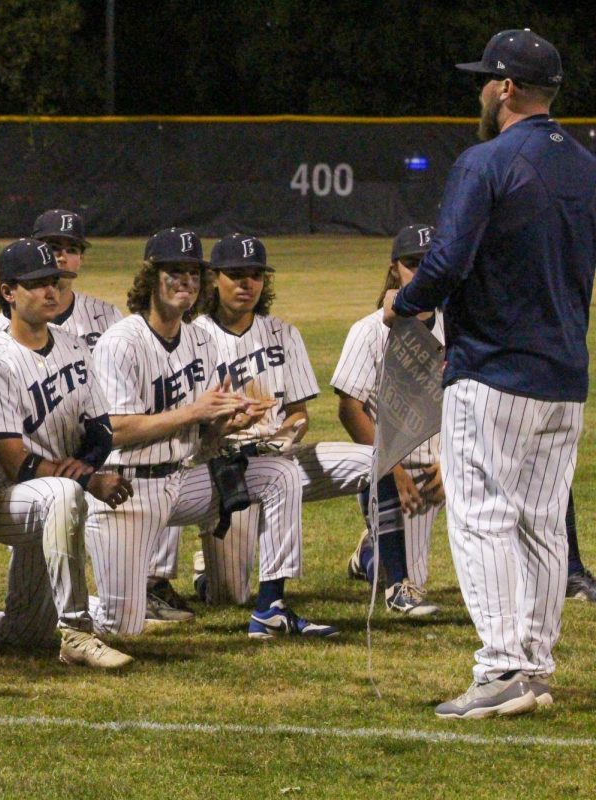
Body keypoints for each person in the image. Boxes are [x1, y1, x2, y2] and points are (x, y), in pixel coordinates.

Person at [384, 29, 596, 719]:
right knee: (541, 524)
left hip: (493, 369)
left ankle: (503, 665)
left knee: (481, 518)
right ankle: (532, 668)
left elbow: (445, 264)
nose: (480, 89)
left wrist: (403, 305)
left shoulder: (487, 160)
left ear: (505, 88)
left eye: (485, 79)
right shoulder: (587, 166)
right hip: (564, 375)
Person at [86, 228, 331, 638]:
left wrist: (226, 424)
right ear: (150, 279)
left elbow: (203, 435)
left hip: (181, 483)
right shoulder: (121, 342)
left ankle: (270, 607)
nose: (186, 282)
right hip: (127, 489)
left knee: (279, 474)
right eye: (175, 272)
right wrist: (194, 412)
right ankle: (71, 602)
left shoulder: (199, 339)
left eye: (194, 274)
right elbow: (112, 430)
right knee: (121, 627)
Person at [0, 238, 136, 665]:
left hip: (47, 491)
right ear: (9, 292)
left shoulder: (72, 345)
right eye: (37, 284)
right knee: (62, 495)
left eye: (54, 281)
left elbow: (101, 428)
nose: (51, 291)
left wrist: (84, 463)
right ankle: (76, 632)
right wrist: (89, 479)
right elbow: (16, 462)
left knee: (26, 633)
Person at [186, 234, 371, 606]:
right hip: (225, 468)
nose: (247, 284)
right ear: (214, 279)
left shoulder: (284, 333)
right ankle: (208, 568)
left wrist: (290, 433)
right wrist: (225, 427)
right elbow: (191, 425)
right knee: (228, 597)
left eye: (256, 275)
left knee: (377, 461)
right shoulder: (193, 338)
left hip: (281, 457)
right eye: (236, 274)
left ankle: (379, 556)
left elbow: (299, 413)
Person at [333, 224, 444, 617]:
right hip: (388, 470)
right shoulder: (367, 332)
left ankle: (370, 548)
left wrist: (454, 465)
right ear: (395, 269)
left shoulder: (461, 328)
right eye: (413, 263)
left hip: (443, 466)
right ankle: (381, 563)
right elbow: (350, 408)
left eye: (431, 263)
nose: (423, 272)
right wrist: (388, 463)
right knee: (411, 577)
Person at [0, 209, 123, 349]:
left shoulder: (108, 317)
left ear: (81, 259)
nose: (62, 257)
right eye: (53, 247)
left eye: (72, 250)